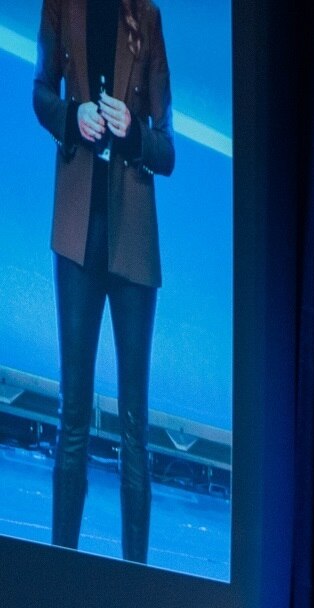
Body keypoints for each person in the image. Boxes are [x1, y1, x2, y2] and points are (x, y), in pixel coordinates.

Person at [33, 0, 174, 563]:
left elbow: (167, 147)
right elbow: (40, 91)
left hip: (133, 244)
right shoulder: (59, 7)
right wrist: (72, 117)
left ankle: (133, 577)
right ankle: (62, 568)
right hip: (75, 236)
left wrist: (132, 130)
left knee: (134, 427)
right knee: (73, 414)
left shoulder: (148, 16)